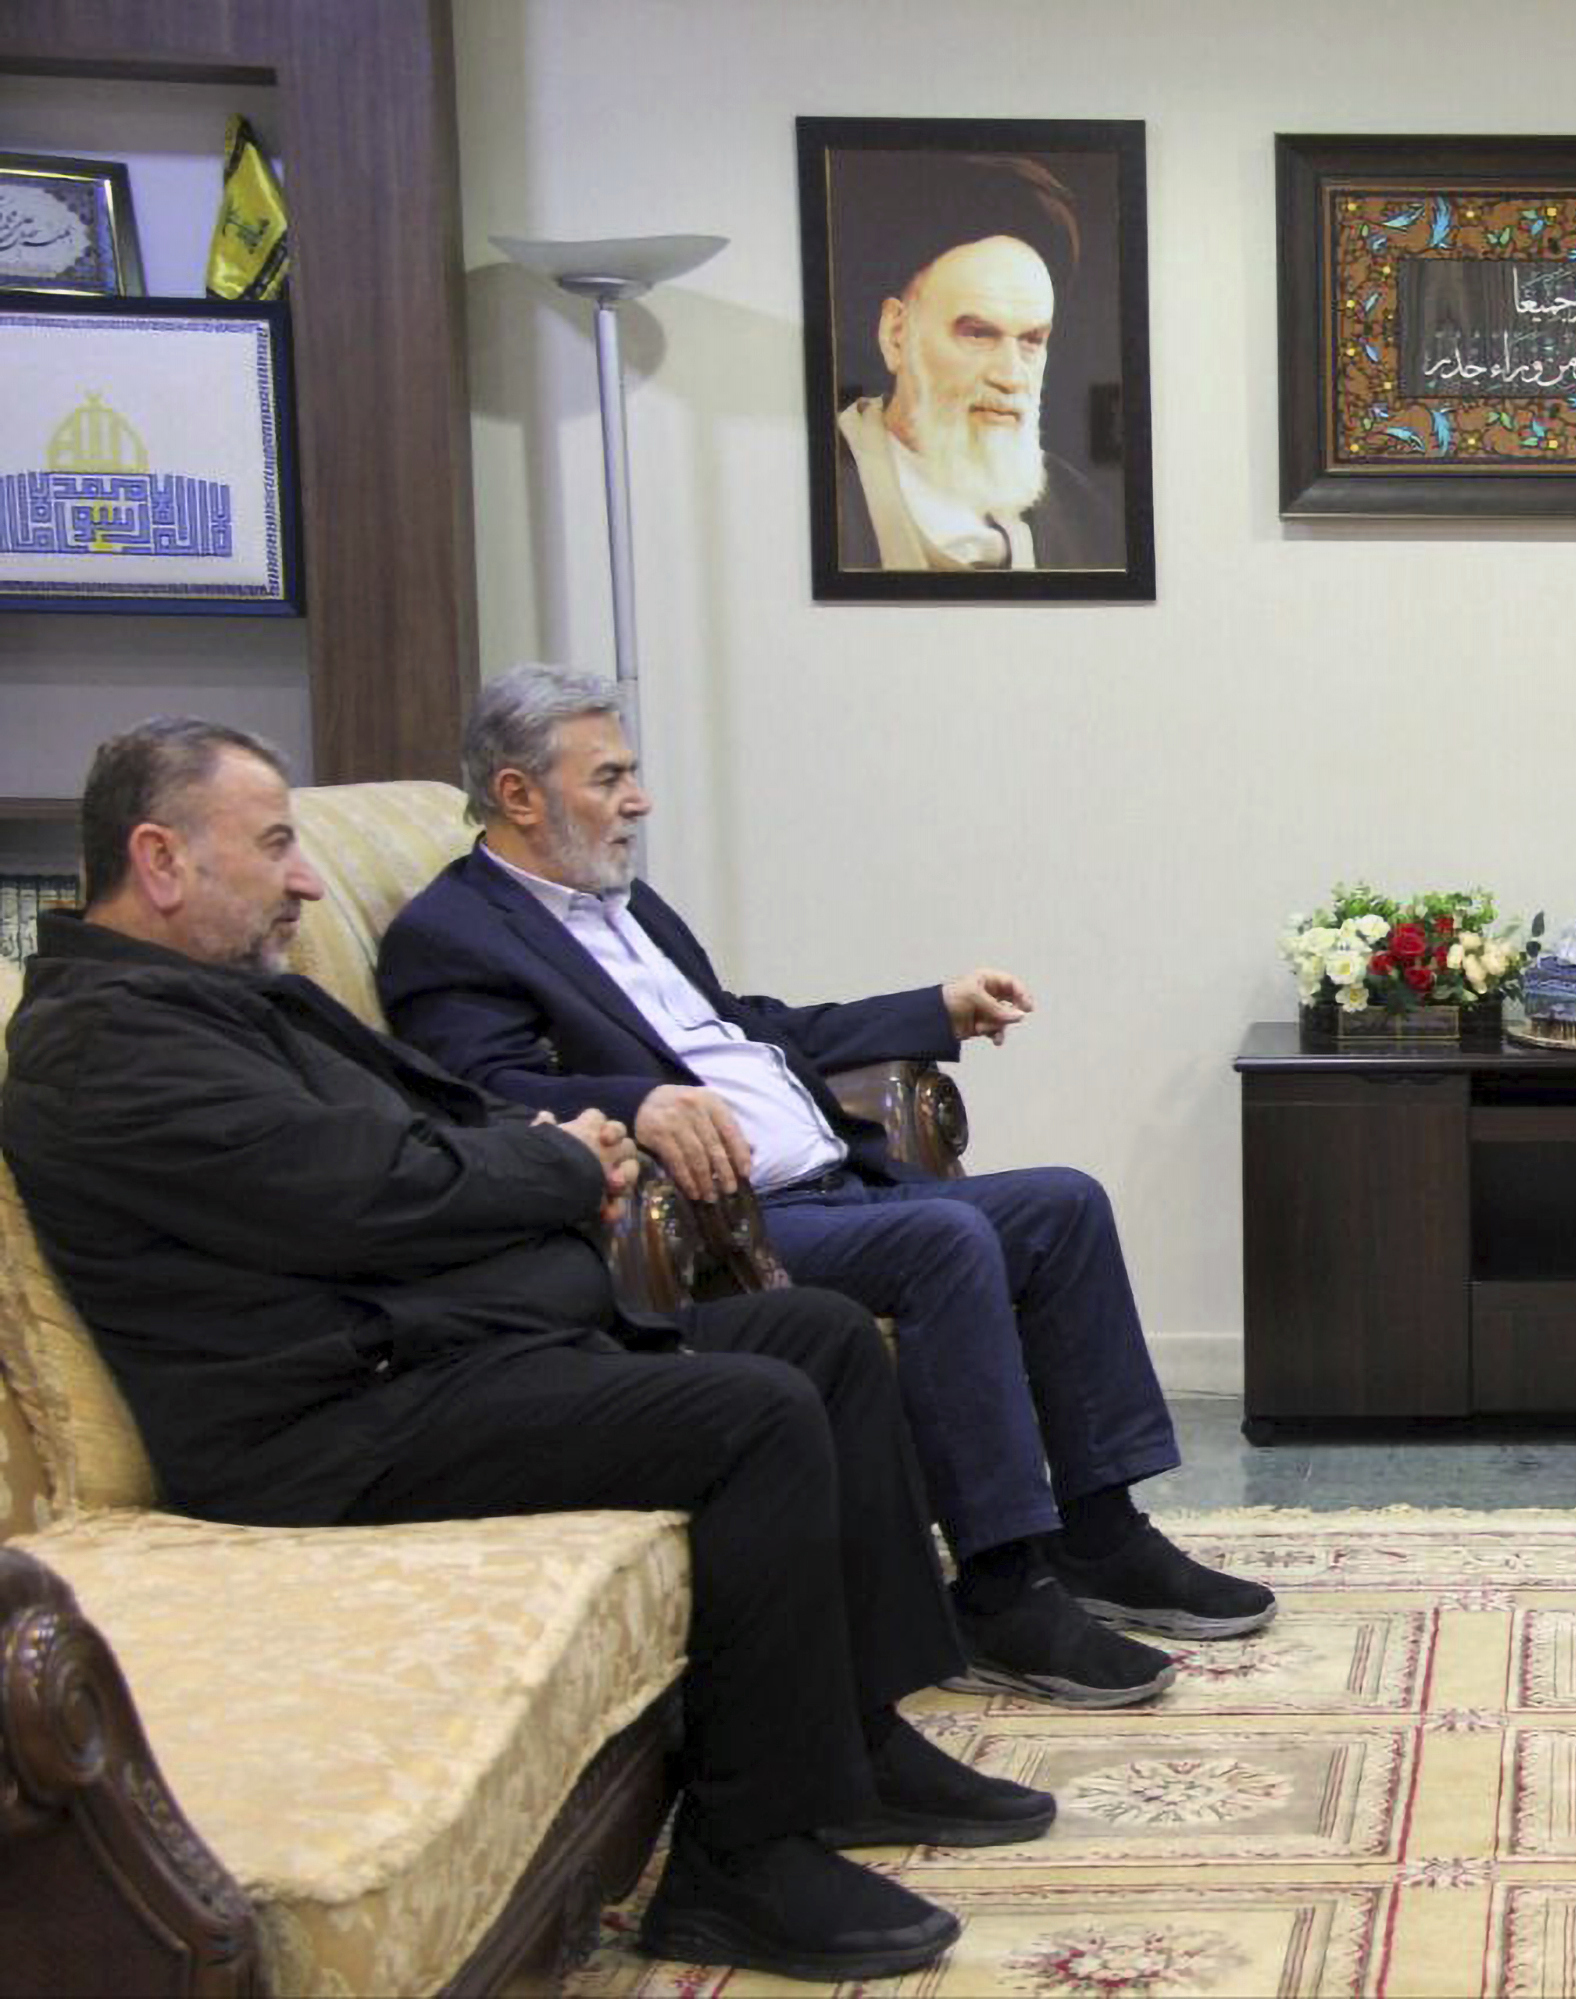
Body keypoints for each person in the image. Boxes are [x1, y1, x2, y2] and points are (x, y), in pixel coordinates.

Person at [1, 719, 1055, 1983]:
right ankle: (741, 1862)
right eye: (277, 844)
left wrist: (560, 1151)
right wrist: (562, 1164)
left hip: (428, 1359)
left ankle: (859, 1739)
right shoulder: (104, 1045)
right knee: (755, 1414)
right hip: (328, 1427)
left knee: (817, 1333)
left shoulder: (211, 997)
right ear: (160, 859)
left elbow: (428, 1119)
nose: (308, 879)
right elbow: (365, 1193)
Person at [378, 665, 1270, 1712]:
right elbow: (480, 1093)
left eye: (634, 773)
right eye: (610, 776)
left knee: (1062, 1203)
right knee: (946, 1241)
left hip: (834, 1181)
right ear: (519, 794)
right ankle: (998, 1587)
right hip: (723, 1223)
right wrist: (639, 1101)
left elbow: (749, 1029)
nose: (639, 800)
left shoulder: (628, 906)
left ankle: (1100, 1532)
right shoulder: (453, 935)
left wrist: (931, 1007)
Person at [829, 154, 1123, 572]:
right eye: (978, 334)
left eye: (1031, 341)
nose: (1009, 376)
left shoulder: (1086, 517)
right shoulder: (822, 491)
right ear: (896, 334)